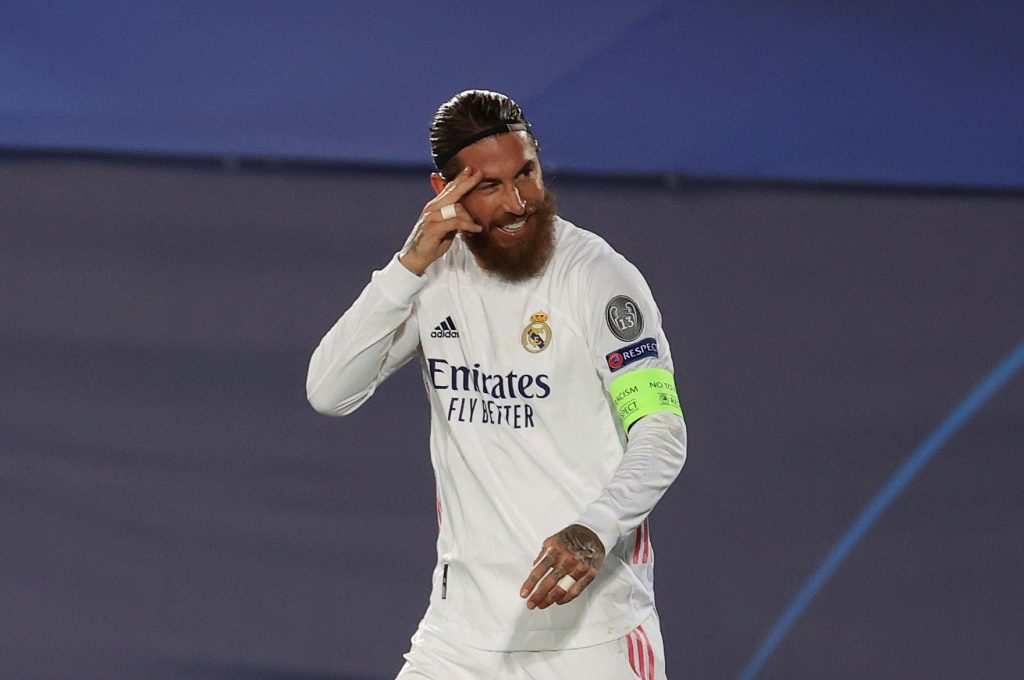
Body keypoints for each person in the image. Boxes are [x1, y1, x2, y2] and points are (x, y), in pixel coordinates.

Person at [306, 89, 687, 679]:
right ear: (445, 189)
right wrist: (407, 265)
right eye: (489, 186)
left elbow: (660, 431)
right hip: (458, 641)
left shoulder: (599, 278)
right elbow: (330, 391)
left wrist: (595, 529)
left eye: (526, 173)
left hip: (591, 639)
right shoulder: (433, 277)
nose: (518, 202)